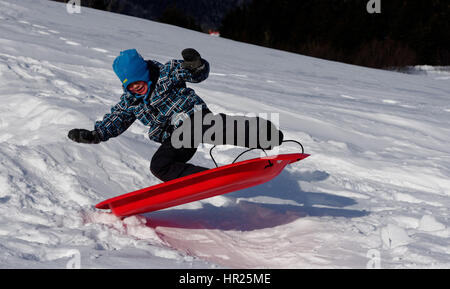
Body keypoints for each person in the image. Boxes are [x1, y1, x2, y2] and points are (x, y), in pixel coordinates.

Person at [68, 48, 284, 182]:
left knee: (219, 130)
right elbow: (116, 119)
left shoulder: (166, 73)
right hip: (176, 137)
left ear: (145, 74)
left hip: (195, 119)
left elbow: (192, 73)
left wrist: (196, 65)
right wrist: (95, 135)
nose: (136, 88)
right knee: (159, 165)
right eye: (130, 86)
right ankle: (201, 179)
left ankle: (265, 135)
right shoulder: (131, 101)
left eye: (138, 82)